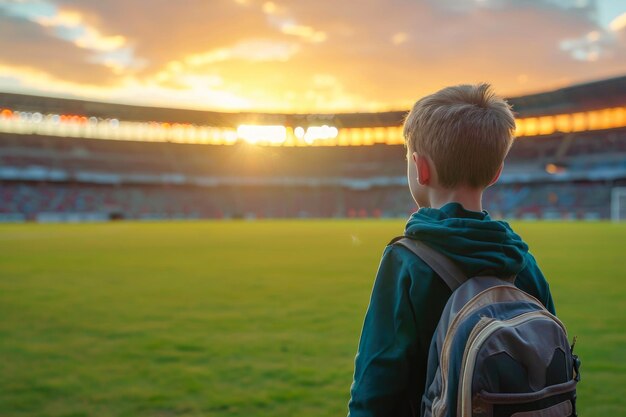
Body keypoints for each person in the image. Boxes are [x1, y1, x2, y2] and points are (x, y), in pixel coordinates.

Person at [347, 84, 555, 417]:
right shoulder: (523, 263)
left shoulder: (406, 262)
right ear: (496, 172)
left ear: (420, 168)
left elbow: (374, 389)